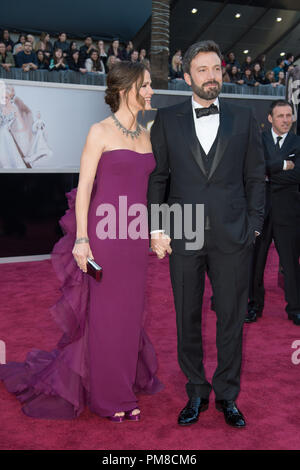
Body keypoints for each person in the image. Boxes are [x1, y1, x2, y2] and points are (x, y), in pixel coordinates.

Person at [0, 60, 163, 420]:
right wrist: (83, 240)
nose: (151, 91)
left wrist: (153, 231)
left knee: (128, 314)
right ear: (126, 89)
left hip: (133, 238)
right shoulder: (100, 131)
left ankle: (120, 381)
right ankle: (108, 397)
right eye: (146, 85)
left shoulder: (146, 134)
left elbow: (149, 190)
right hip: (103, 238)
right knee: (104, 314)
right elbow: (85, 187)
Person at [147, 40, 265, 428]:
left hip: (234, 233)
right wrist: (158, 226)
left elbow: (254, 177)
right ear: (187, 78)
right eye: (203, 70)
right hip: (185, 231)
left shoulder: (245, 117)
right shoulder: (166, 119)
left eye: (216, 69)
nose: (212, 76)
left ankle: (227, 394)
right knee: (187, 316)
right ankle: (196, 390)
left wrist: (254, 224)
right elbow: (159, 177)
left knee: (231, 318)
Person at [246, 100, 300, 325]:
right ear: (270, 118)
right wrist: (283, 166)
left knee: (290, 263)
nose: (286, 120)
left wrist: (269, 171)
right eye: (281, 116)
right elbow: (254, 170)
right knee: (255, 262)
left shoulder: (298, 142)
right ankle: (253, 304)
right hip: (260, 211)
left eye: (289, 115)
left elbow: (297, 176)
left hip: (288, 212)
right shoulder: (258, 140)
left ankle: (296, 307)